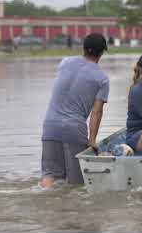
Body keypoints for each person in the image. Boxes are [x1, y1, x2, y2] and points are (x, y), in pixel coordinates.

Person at [40, 33, 109, 188]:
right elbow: (97, 112)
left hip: (50, 126)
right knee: (75, 184)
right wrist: (92, 140)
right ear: (102, 53)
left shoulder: (65, 62)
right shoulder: (102, 79)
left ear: (83, 48)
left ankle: (48, 206)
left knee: (49, 176)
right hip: (74, 130)